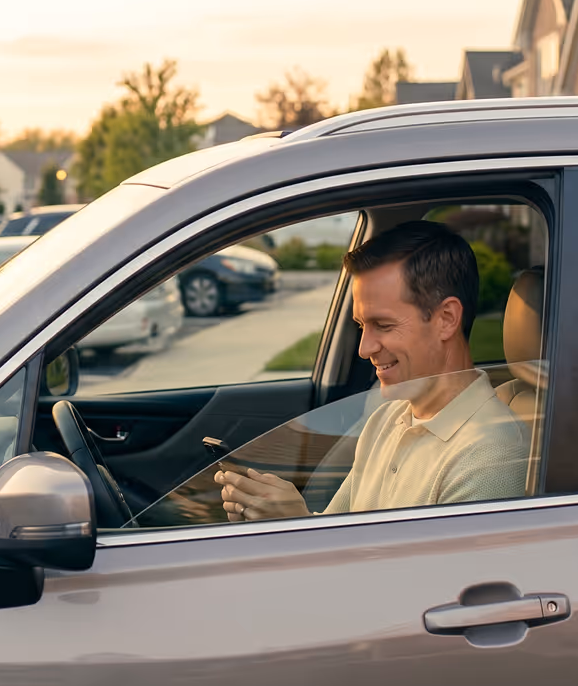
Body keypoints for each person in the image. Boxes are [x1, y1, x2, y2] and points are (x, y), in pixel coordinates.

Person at [215, 220, 531, 522]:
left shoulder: (491, 457)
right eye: (361, 326)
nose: (365, 349)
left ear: (446, 319)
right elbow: (339, 536)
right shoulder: (386, 418)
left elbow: (434, 579)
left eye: (383, 325)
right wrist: (275, 518)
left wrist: (295, 522)